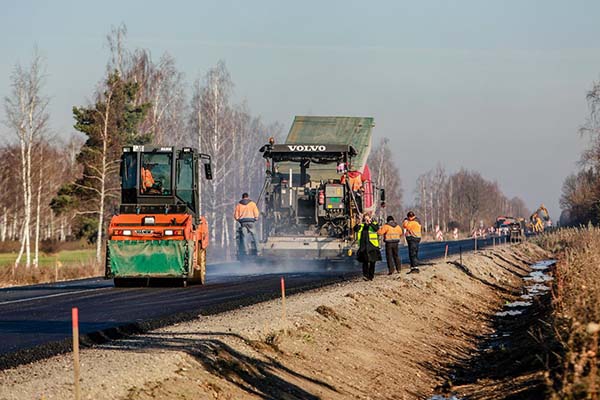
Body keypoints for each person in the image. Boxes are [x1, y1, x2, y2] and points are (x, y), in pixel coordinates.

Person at [354, 213, 381, 280]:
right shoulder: (362, 225)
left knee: (372, 262)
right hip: (364, 246)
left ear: (370, 218)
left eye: (367, 218)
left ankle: (371, 276)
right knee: (365, 262)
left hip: (372, 246)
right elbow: (355, 229)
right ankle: (365, 275)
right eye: (365, 219)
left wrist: (370, 223)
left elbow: (376, 229)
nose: (366, 220)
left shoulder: (374, 224)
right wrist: (358, 223)